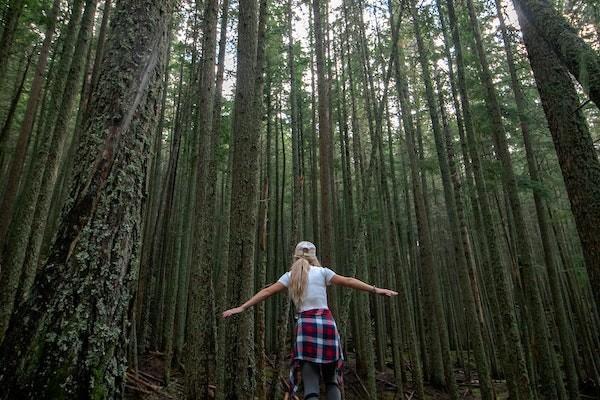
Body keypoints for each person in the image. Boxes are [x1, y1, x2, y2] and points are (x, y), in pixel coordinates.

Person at [222, 241, 398, 400]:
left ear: (296, 256)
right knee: (331, 381)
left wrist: (243, 307)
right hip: (327, 325)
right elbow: (349, 280)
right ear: (314, 257)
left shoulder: (290, 276)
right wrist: (375, 289)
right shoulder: (323, 272)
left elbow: (267, 292)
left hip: (305, 327)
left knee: (311, 385)